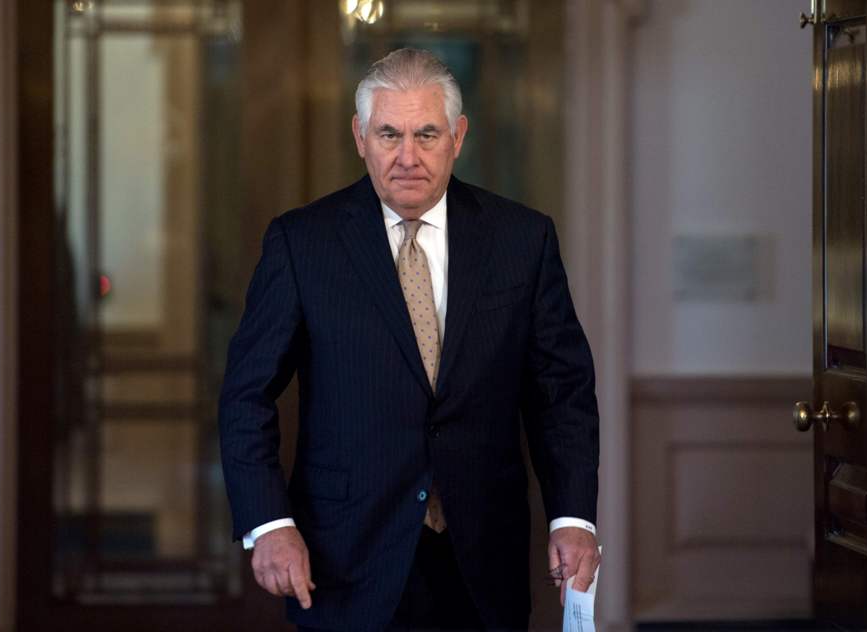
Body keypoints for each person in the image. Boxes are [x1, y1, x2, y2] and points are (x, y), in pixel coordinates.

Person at [219, 48, 600, 632]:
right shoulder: (302, 244)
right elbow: (246, 395)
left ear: (457, 136)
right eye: (389, 134)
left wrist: (572, 517)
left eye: (426, 134)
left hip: (483, 558)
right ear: (360, 137)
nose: (407, 157)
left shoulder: (522, 239)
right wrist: (270, 524)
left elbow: (562, 393)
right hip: (345, 557)